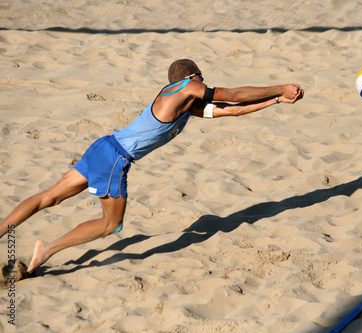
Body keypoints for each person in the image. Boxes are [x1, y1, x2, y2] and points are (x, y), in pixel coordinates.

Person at [0, 59, 304, 274]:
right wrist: (280, 85)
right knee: (110, 224)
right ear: (193, 76)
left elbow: (231, 110)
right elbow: (234, 94)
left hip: (104, 146)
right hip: (116, 157)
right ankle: (47, 250)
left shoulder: (186, 105)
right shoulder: (183, 89)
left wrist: (276, 100)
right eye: (202, 77)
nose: (205, 83)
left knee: (49, 198)